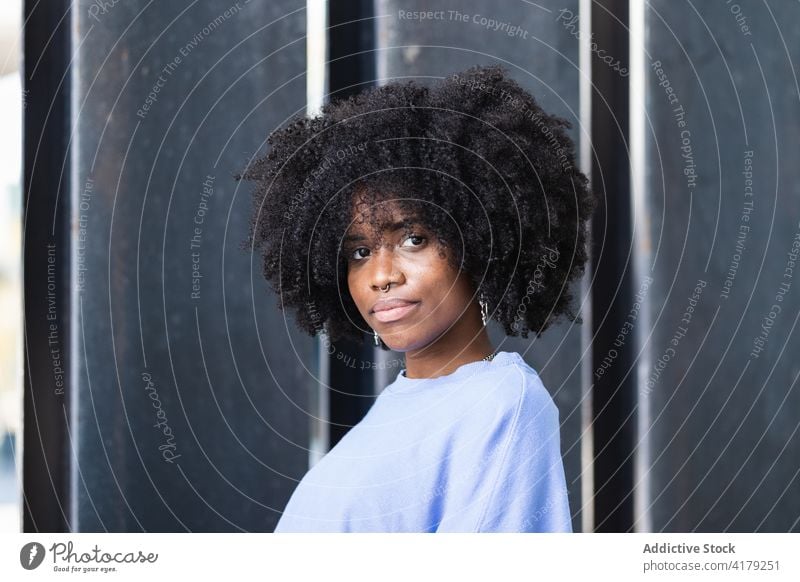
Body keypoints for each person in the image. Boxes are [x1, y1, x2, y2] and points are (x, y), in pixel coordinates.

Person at [238, 64, 596, 532]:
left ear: (478, 239)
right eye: (360, 252)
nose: (380, 276)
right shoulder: (397, 408)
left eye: (412, 239)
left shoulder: (499, 403)